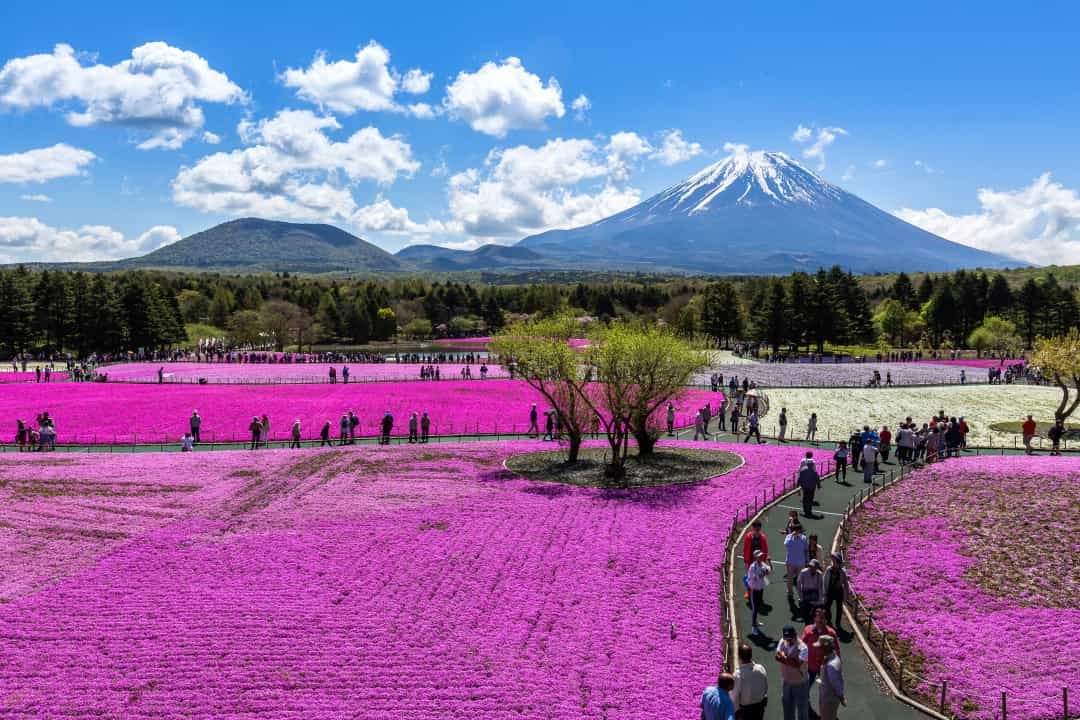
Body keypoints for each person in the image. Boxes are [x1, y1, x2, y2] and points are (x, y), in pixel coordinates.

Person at [774, 624, 809, 720]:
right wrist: (788, 659)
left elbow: (797, 664)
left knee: (802, 711)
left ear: (795, 635)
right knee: (787, 709)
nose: (788, 641)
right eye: (786, 638)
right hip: (786, 682)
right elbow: (777, 656)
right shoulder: (782, 641)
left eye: (790, 638)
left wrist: (784, 657)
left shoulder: (803, 648)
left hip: (800, 683)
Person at [802, 608, 840, 693]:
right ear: (814, 618)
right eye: (818, 617)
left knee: (826, 688)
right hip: (810, 665)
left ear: (826, 620)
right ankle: (806, 703)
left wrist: (837, 667)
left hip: (824, 667)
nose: (819, 620)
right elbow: (801, 646)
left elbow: (837, 650)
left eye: (822, 618)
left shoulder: (831, 633)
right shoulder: (808, 630)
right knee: (806, 687)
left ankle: (824, 703)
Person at [731, 643, 769, 720]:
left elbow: (734, 697)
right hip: (760, 708)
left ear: (739, 656)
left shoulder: (737, 675)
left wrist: (736, 713)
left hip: (746, 711)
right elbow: (765, 687)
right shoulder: (761, 668)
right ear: (751, 655)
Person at [816, 636, 845, 720]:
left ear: (825, 648)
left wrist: (841, 697)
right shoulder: (830, 657)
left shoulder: (831, 665)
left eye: (820, 647)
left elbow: (836, 684)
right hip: (827, 696)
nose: (818, 649)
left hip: (829, 699)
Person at [821, 553, 850, 631]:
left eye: (835, 560)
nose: (833, 562)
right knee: (827, 606)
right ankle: (828, 620)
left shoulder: (842, 572)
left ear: (838, 562)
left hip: (838, 592)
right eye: (833, 560)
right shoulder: (829, 569)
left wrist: (847, 595)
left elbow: (846, 584)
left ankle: (837, 624)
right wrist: (824, 591)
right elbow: (824, 580)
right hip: (830, 591)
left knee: (839, 608)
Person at [747, 550, 771, 636]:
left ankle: (756, 621)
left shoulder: (762, 564)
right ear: (755, 557)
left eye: (761, 556)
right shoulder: (752, 567)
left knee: (758, 605)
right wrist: (763, 573)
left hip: (760, 588)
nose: (761, 557)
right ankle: (753, 627)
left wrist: (770, 562)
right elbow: (754, 577)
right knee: (755, 608)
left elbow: (769, 570)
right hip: (754, 589)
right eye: (759, 556)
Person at [783, 523, 809, 599]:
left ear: (800, 530)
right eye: (795, 530)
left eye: (798, 530)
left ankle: (801, 595)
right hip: (790, 562)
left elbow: (806, 550)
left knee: (800, 580)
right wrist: (791, 536)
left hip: (801, 563)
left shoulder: (804, 538)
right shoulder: (789, 537)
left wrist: (807, 561)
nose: (796, 531)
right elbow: (786, 544)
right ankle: (790, 592)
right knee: (790, 579)